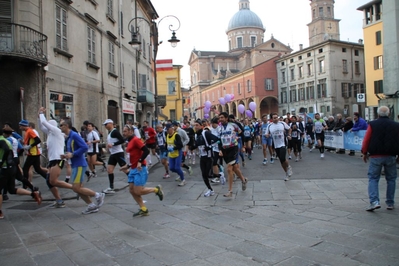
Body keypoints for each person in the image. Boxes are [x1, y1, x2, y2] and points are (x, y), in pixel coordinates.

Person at [60, 118, 105, 214]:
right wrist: (66, 155)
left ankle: (98, 195)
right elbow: (72, 151)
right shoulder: (69, 137)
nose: (60, 127)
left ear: (66, 126)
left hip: (80, 165)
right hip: (75, 165)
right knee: (78, 188)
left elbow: (84, 147)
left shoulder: (74, 135)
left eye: (61, 125)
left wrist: (72, 154)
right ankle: (91, 205)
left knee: (76, 188)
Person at [120, 125, 163, 217]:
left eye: (125, 131)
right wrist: (127, 166)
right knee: (132, 190)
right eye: (123, 131)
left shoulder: (136, 140)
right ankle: (143, 209)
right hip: (133, 168)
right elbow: (133, 155)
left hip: (140, 168)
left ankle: (156, 190)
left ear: (131, 131)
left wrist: (140, 162)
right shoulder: (129, 141)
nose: (124, 133)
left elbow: (146, 151)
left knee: (138, 191)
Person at [361, 106, 399, 211]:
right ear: (389, 114)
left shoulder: (373, 124)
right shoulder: (396, 125)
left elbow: (367, 139)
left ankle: (374, 201)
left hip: (375, 155)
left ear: (378, 114)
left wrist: (364, 152)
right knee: (391, 179)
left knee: (373, 178)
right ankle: (390, 202)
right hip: (391, 155)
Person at [0, 127, 42, 219]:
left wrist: (2, 162)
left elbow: (7, 150)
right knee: (12, 188)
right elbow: (20, 148)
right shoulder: (12, 140)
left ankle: (0, 212)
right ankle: (33, 193)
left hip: (6, 167)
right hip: (12, 164)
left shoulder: (3, 141)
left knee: (29, 172)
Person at [38, 107, 73, 208]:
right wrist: (38, 116)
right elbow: (41, 126)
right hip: (52, 160)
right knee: (49, 182)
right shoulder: (50, 134)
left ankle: (75, 188)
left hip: (59, 159)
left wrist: (41, 113)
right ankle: (59, 200)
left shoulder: (56, 131)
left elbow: (44, 123)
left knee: (53, 181)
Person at [218, 112, 248, 197]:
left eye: (222, 117)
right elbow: (219, 140)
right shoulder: (219, 128)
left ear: (226, 118)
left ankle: (230, 191)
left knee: (229, 169)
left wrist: (242, 145)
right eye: (220, 118)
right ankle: (243, 180)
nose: (220, 119)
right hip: (225, 150)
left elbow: (241, 132)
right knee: (234, 168)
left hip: (233, 148)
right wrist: (220, 150)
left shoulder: (233, 125)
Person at [193, 120, 220, 197]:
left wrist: (209, 147)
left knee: (208, 174)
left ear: (201, 126)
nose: (196, 127)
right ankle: (210, 190)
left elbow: (217, 139)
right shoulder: (196, 135)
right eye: (195, 125)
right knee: (204, 175)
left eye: (197, 125)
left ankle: (219, 175)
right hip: (202, 157)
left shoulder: (205, 133)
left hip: (209, 157)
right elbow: (197, 144)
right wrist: (193, 147)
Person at [103, 119, 128, 194]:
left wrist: (113, 144)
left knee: (125, 169)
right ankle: (111, 187)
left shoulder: (115, 131)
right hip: (113, 154)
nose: (105, 126)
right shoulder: (110, 132)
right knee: (109, 170)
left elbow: (122, 140)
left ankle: (135, 182)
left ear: (110, 124)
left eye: (106, 124)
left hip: (118, 153)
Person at [266, 112, 293, 181]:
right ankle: (286, 173)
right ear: (272, 119)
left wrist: (289, 135)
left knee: (282, 158)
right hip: (275, 145)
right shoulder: (269, 126)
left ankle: (289, 167)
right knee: (281, 161)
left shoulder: (282, 123)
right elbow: (266, 134)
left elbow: (289, 129)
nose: (276, 119)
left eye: (277, 117)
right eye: (274, 118)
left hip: (283, 143)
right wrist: (267, 135)